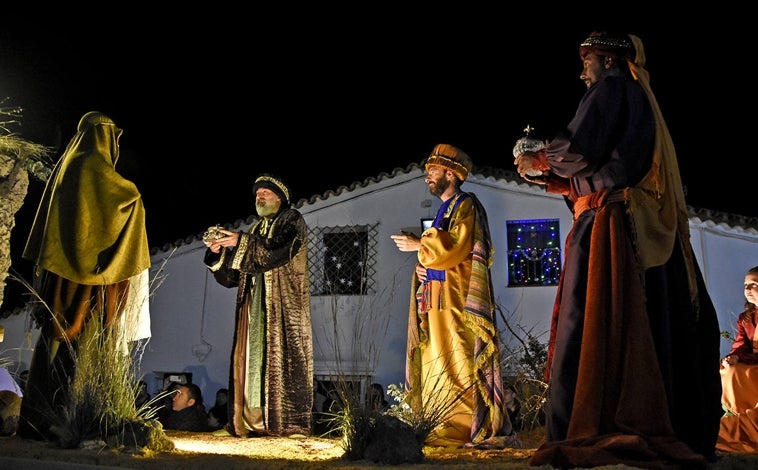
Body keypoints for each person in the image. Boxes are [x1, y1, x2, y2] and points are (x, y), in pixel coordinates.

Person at [513, 31, 722, 468]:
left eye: (587, 60)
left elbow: (579, 150)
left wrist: (540, 158)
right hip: (627, 220)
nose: (582, 70)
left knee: (589, 323)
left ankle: (598, 422)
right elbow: (603, 166)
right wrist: (554, 175)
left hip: (608, 225)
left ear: (607, 59)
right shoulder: (640, 97)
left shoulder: (612, 89)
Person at [18, 111, 151, 440]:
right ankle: (77, 416)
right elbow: (127, 198)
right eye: (112, 137)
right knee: (82, 345)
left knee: (56, 347)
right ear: (102, 135)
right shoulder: (91, 164)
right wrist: (136, 204)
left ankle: (41, 416)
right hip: (86, 284)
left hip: (63, 277)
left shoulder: (68, 166)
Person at [391, 144, 515, 448]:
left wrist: (420, 244)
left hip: (457, 303)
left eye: (431, 171)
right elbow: (436, 257)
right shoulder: (444, 210)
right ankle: (438, 425)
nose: (426, 178)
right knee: (437, 364)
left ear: (451, 172)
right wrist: (421, 269)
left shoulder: (466, 205)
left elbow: (456, 247)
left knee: (458, 363)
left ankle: (461, 427)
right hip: (435, 302)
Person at [203, 174, 313, 438]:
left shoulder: (292, 220)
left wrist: (240, 242)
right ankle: (250, 421)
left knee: (282, 358)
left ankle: (286, 423)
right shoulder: (254, 230)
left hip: (283, 306)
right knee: (250, 357)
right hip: (254, 305)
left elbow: (277, 250)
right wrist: (218, 251)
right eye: (257, 194)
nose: (259, 196)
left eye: (265, 192)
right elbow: (232, 276)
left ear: (280, 198)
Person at [716, 265, 758, 453]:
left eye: (753, 284)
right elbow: (740, 345)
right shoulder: (746, 318)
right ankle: (738, 412)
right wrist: (734, 357)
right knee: (728, 370)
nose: (747, 289)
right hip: (752, 361)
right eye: (745, 285)